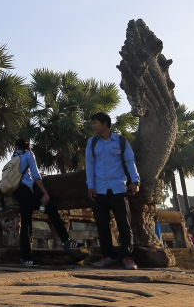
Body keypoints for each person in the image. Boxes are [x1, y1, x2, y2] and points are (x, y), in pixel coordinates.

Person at [11, 138, 84, 267]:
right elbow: (35, 176)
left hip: (18, 192)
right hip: (27, 191)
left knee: (29, 221)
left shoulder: (14, 156)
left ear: (16, 147)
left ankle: (26, 257)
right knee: (47, 211)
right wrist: (44, 192)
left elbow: (26, 175)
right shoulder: (28, 154)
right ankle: (28, 257)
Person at [86, 112, 141, 270]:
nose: (93, 126)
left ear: (105, 124)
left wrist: (135, 181)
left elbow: (130, 161)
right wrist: (90, 185)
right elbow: (90, 165)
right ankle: (107, 256)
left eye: (95, 123)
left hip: (118, 188)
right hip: (99, 189)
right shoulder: (92, 142)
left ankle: (127, 257)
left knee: (124, 224)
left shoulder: (121, 142)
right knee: (102, 225)